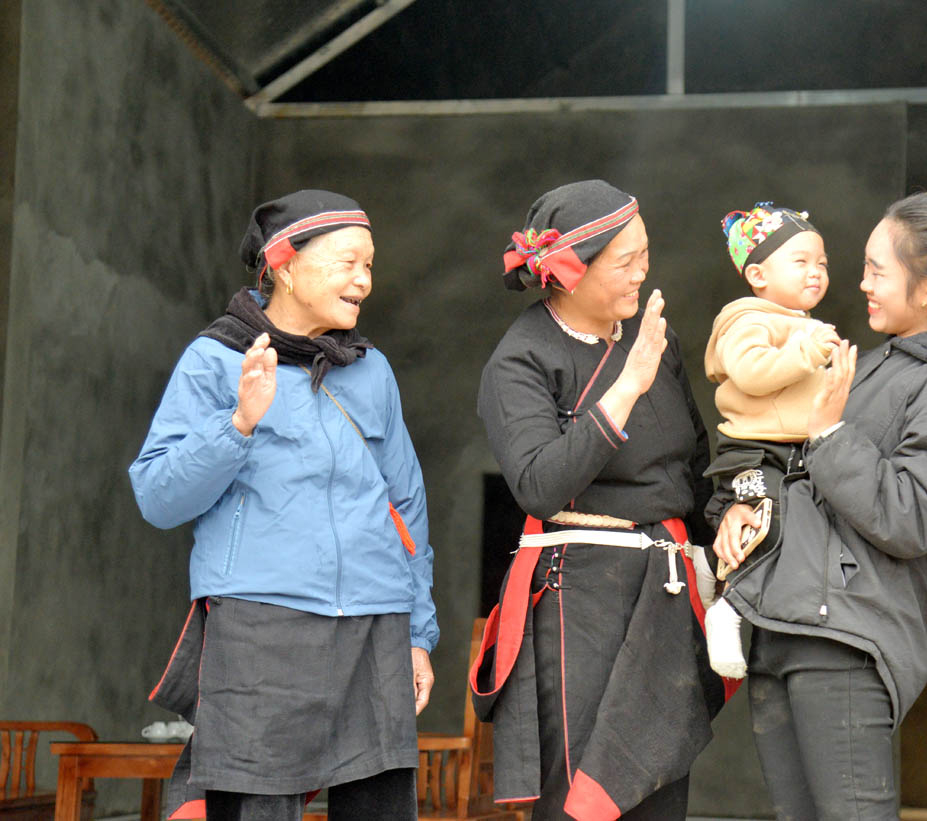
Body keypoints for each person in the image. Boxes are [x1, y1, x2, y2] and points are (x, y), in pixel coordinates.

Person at [711, 191, 927, 819]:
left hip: (848, 639)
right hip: (789, 626)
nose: (860, 284)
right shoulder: (884, 365)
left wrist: (829, 434)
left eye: (877, 270)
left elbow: (916, 516)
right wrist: (740, 501)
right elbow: (795, 472)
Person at [129, 190, 438, 821]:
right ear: (285, 265)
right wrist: (239, 423)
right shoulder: (215, 359)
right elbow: (158, 496)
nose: (364, 280)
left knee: (379, 807)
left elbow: (405, 504)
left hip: (376, 623)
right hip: (264, 623)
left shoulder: (371, 370)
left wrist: (417, 633)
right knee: (255, 806)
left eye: (370, 265)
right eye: (348, 262)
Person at [469, 180, 728, 821]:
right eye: (626, 261)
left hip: (664, 593)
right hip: (576, 596)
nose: (644, 271)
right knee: (581, 792)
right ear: (570, 273)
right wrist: (628, 386)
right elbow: (539, 484)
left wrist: (733, 515)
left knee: (659, 784)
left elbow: (693, 463)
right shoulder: (521, 361)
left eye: (646, 253)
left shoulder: (650, 338)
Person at [695, 203, 841, 678]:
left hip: (797, 453)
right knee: (768, 526)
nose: (815, 272)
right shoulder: (748, 318)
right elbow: (753, 373)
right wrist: (807, 351)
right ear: (757, 273)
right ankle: (727, 608)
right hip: (756, 453)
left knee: (806, 532)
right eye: (800, 262)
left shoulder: (804, 324)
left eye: (821, 263)